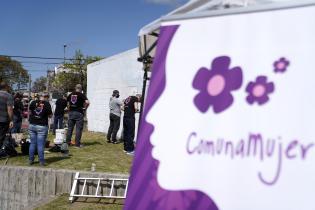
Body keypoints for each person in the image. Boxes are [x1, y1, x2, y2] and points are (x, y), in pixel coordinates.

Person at [28, 92, 52, 166]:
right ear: (45, 97)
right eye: (47, 96)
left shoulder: (33, 102)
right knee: (40, 144)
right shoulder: (47, 104)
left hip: (32, 125)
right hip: (41, 126)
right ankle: (41, 161)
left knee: (32, 143)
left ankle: (31, 160)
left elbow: (30, 112)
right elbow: (50, 115)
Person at [0, 82, 14, 146]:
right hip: (3, 120)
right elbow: (9, 109)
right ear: (6, 87)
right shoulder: (8, 95)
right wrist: (11, 120)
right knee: (1, 136)